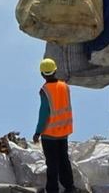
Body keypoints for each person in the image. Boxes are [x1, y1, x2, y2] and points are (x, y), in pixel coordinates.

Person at [32, 58, 76, 193]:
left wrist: (38, 132)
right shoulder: (65, 86)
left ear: (42, 74)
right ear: (55, 70)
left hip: (50, 133)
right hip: (63, 132)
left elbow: (44, 112)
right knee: (64, 160)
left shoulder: (45, 90)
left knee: (52, 163)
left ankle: (52, 189)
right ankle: (69, 187)